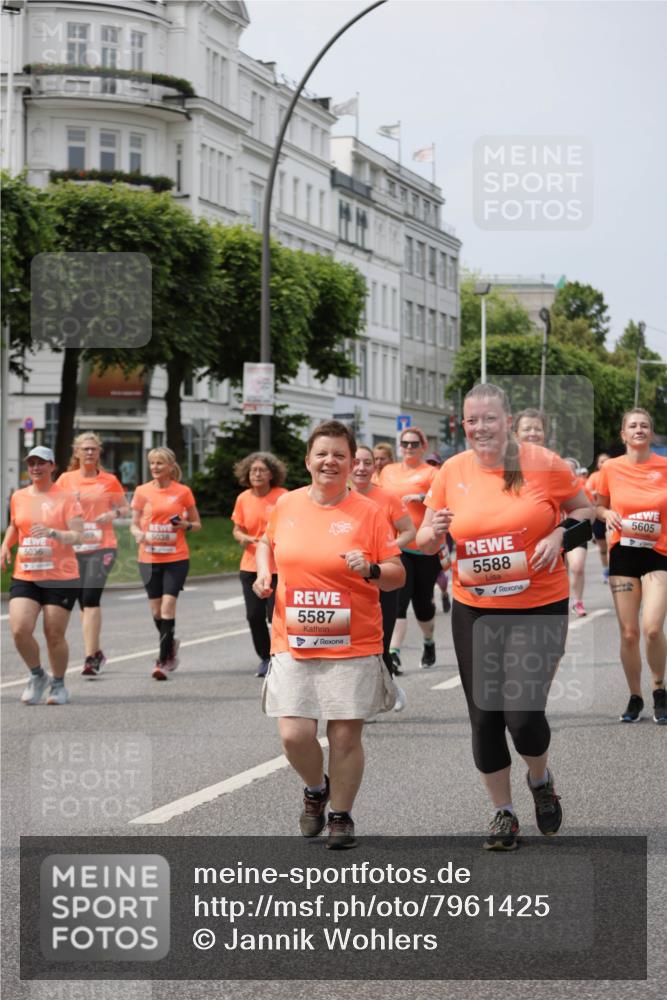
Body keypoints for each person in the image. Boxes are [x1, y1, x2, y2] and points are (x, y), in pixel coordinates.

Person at [417, 383, 592, 850]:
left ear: (507, 421)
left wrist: (560, 536)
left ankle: (540, 779)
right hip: (475, 610)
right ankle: (502, 813)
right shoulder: (451, 470)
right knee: (485, 717)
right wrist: (430, 533)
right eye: (471, 420)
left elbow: (587, 512)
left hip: (538, 607)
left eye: (488, 419)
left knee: (523, 715)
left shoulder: (544, 463)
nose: (479, 428)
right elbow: (426, 538)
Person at [253, 421, 405, 849]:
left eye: (340, 454)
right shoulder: (286, 505)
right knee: (293, 734)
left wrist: (371, 569)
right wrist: (265, 572)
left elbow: (396, 575)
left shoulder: (370, 513)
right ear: (307, 460)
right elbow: (266, 542)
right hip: (293, 639)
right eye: (322, 453)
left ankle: (340, 814)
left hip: (352, 642)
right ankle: (316, 789)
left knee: (343, 736)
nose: (330, 461)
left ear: (352, 462)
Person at [595, 408, 667, 724]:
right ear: (623, 434)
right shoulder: (610, 468)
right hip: (623, 552)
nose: (639, 429)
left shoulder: (665, 467)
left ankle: (659, 688)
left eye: (645, 425)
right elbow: (595, 504)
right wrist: (605, 514)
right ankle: (635, 695)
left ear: (651, 433)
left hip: (658, 552)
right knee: (628, 633)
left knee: (652, 628)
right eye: (632, 425)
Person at [1, 446, 83, 706]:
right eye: (31, 463)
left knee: (53, 633)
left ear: (52, 466)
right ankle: (38, 675)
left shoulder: (67, 498)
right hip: (26, 573)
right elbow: (16, 525)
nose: (35, 468)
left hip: (61, 575)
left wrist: (54, 533)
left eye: (41, 463)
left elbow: (78, 535)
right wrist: (5, 546)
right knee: (19, 630)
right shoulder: (19, 496)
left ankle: (58, 684)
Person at [56, 432, 129, 676]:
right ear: (76, 452)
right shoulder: (65, 480)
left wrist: (113, 515)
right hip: (74, 547)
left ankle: (90, 659)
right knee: (81, 602)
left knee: (90, 597)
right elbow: (54, 508)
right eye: (84, 449)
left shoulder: (109, 480)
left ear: (99, 453)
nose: (89, 453)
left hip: (103, 545)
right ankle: (95, 651)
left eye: (93, 449)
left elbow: (124, 507)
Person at [350, 444, 415, 711]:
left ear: (375, 467)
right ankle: (361, 698)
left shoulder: (387, 498)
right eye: (357, 462)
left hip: (382, 575)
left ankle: (387, 683)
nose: (362, 468)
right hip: (351, 581)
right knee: (353, 640)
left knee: (381, 638)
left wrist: (383, 551)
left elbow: (409, 531)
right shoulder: (337, 498)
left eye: (368, 463)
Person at [130, 448, 201, 681]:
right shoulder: (141, 491)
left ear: (171, 466)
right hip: (148, 559)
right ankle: (170, 643)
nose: (155, 467)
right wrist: (138, 534)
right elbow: (133, 524)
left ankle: (163, 660)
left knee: (168, 607)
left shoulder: (183, 492)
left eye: (160, 463)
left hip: (176, 558)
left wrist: (185, 525)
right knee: (155, 610)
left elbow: (197, 524)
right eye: (152, 463)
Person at [379, 427, 440, 671]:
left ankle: (429, 641)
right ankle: (393, 652)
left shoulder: (431, 472)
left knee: (423, 604)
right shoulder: (388, 471)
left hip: (424, 547)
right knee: (399, 601)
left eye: (414, 444)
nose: (409, 448)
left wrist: (421, 496)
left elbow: (443, 498)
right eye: (404, 443)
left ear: (423, 447)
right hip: (397, 545)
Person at [231, 452, 288, 678]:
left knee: (275, 615)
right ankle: (265, 657)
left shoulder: (282, 496)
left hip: (278, 567)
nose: (256, 474)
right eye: (253, 470)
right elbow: (237, 529)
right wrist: (244, 538)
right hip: (250, 566)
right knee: (254, 616)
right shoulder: (243, 498)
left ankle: (279, 656)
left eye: (262, 470)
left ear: (271, 474)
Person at [563, 457, 589, 617]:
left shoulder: (582, 488)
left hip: (576, 530)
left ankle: (578, 601)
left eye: (571, 469)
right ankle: (562, 601)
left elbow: (592, 508)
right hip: (553, 532)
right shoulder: (549, 485)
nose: (568, 472)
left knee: (577, 567)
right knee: (560, 572)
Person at [585, 453, 611, 582]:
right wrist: (600, 492)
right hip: (599, 515)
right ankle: (606, 569)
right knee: (603, 547)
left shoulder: (616, 474)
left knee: (614, 545)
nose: (604, 463)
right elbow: (587, 492)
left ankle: (616, 569)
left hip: (614, 515)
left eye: (607, 461)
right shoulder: (594, 476)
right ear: (598, 464)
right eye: (602, 461)